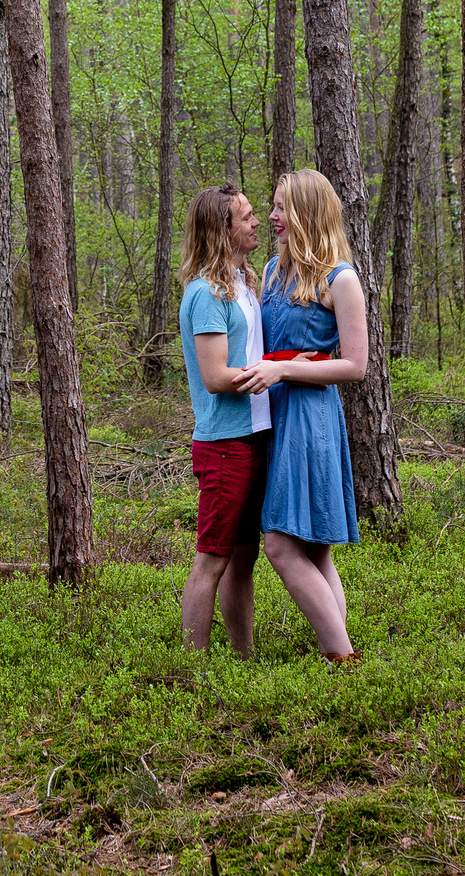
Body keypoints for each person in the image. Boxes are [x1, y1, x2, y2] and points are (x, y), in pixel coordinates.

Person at [237, 168, 363, 664]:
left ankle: (343, 657)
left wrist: (289, 369)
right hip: (272, 414)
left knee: (280, 545)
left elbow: (356, 364)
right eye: (271, 206)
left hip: (310, 418)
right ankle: (342, 656)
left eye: (282, 207)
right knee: (313, 551)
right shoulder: (270, 272)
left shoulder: (341, 278)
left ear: (308, 213)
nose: (272, 216)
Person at [175, 183, 270, 656]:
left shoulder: (244, 284)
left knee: (244, 558)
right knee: (212, 558)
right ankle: (194, 668)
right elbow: (215, 376)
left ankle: (242, 659)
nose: (256, 223)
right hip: (224, 443)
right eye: (247, 216)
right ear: (222, 228)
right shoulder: (207, 294)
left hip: (256, 436)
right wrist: (277, 373)